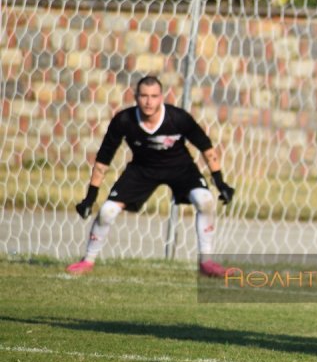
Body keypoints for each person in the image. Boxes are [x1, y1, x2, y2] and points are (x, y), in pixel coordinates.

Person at [66, 75, 235, 277]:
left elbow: (207, 149)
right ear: (135, 97)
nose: (148, 101)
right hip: (142, 170)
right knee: (107, 211)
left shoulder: (178, 118)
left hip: (180, 168)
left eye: (154, 96)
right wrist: (90, 198)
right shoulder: (124, 120)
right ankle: (88, 261)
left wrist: (220, 182)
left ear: (161, 97)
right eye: (144, 96)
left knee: (205, 200)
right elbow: (103, 160)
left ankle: (206, 262)